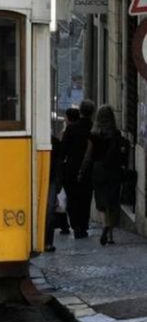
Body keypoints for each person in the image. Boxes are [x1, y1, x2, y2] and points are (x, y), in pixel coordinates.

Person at [80, 104, 129, 246]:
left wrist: (82, 170)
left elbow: (88, 155)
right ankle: (111, 235)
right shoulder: (116, 133)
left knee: (101, 201)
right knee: (113, 202)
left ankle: (105, 226)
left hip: (98, 169)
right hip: (113, 169)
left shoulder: (93, 135)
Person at [61, 98, 95, 238]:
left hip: (72, 169)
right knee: (85, 198)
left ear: (80, 111)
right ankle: (83, 225)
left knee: (73, 198)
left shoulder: (71, 128)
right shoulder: (93, 128)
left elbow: (63, 149)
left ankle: (76, 226)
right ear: (92, 112)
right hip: (88, 169)